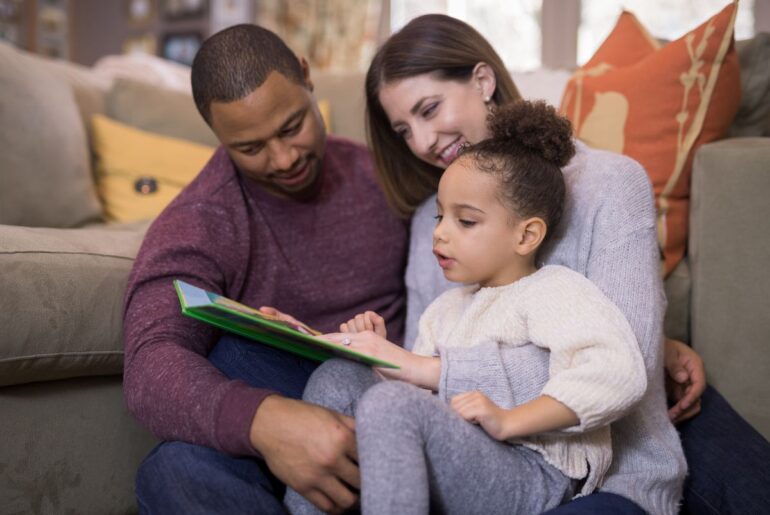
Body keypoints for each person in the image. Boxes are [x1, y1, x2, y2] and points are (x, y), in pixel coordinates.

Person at [364, 13, 770, 515]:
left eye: (430, 109)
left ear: (483, 81)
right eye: (404, 130)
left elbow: (623, 366)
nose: (423, 142)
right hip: (482, 466)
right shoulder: (432, 218)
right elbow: (421, 371)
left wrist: (434, 371)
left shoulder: (608, 184)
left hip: (612, 471)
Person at [285, 100, 653, 515]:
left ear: (526, 236)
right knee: (337, 377)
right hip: (465, 458)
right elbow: (421, 404)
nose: (440, 234)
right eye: (440, 217)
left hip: (533, 470)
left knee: (392, 406)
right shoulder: (444, 310)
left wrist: (512, 420)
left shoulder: (554, 291)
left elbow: (617, 374)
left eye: (466, 221)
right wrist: (381, 358)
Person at [122, 24, 409, 514]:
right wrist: (267, 421)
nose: (284, 159)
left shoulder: (383, 173)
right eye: (251, 148)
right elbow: (150, 365)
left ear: (305, 75)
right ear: (216, 133)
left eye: (292, 127)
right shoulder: (202, 219)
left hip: (390, 404)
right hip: (278, 441)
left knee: (233, 353)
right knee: (172, 472)